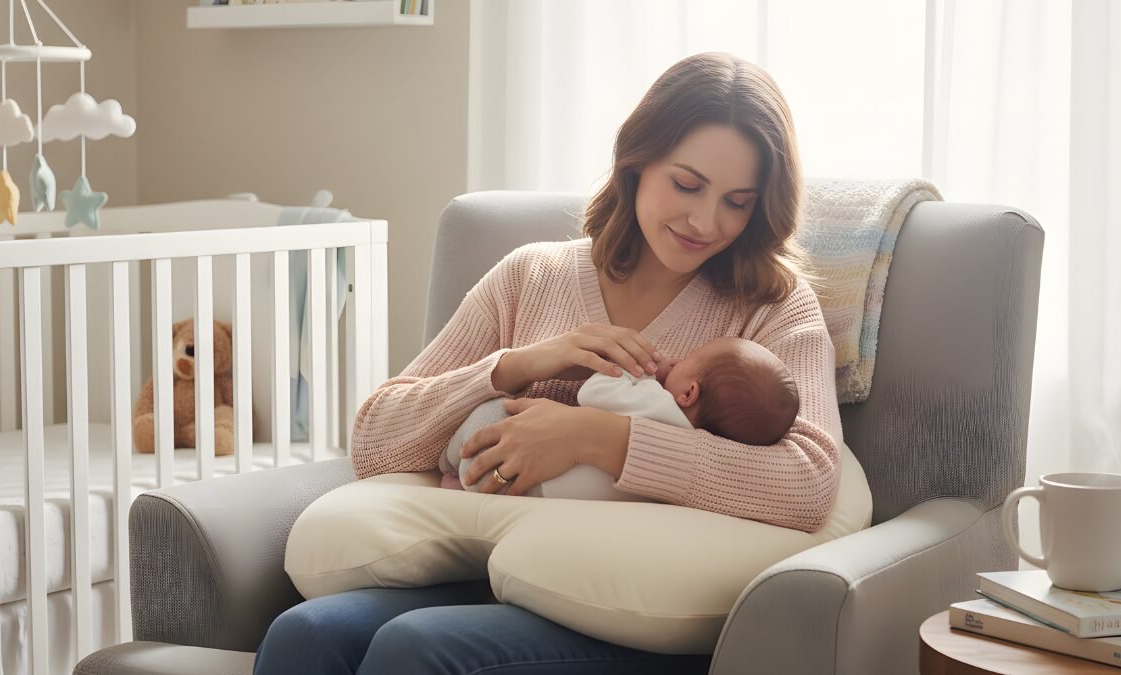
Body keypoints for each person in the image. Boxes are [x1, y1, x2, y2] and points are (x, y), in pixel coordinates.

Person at [254, 50, 843, 675]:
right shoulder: (531, 275)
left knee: (417, 649)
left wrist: (598, 437)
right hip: (482, 566)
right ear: (636, 164)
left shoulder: (772, 309)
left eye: (738, 202)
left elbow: (806, 483)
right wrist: (512, 365)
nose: (705, 221)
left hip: (624, 599)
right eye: (687, 184)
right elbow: (375, 441)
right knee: (306, 634)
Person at [439, 336, 802, 499]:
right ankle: (460, 482)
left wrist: (634, 371)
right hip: (559, 496)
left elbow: (592, 394)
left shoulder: (657, 403)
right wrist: (519, 364)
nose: (674, 360)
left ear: (688, 394)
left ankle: (456, 471)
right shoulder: (695, 439)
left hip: (539, 480)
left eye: (686, 360)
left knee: (492, 415)